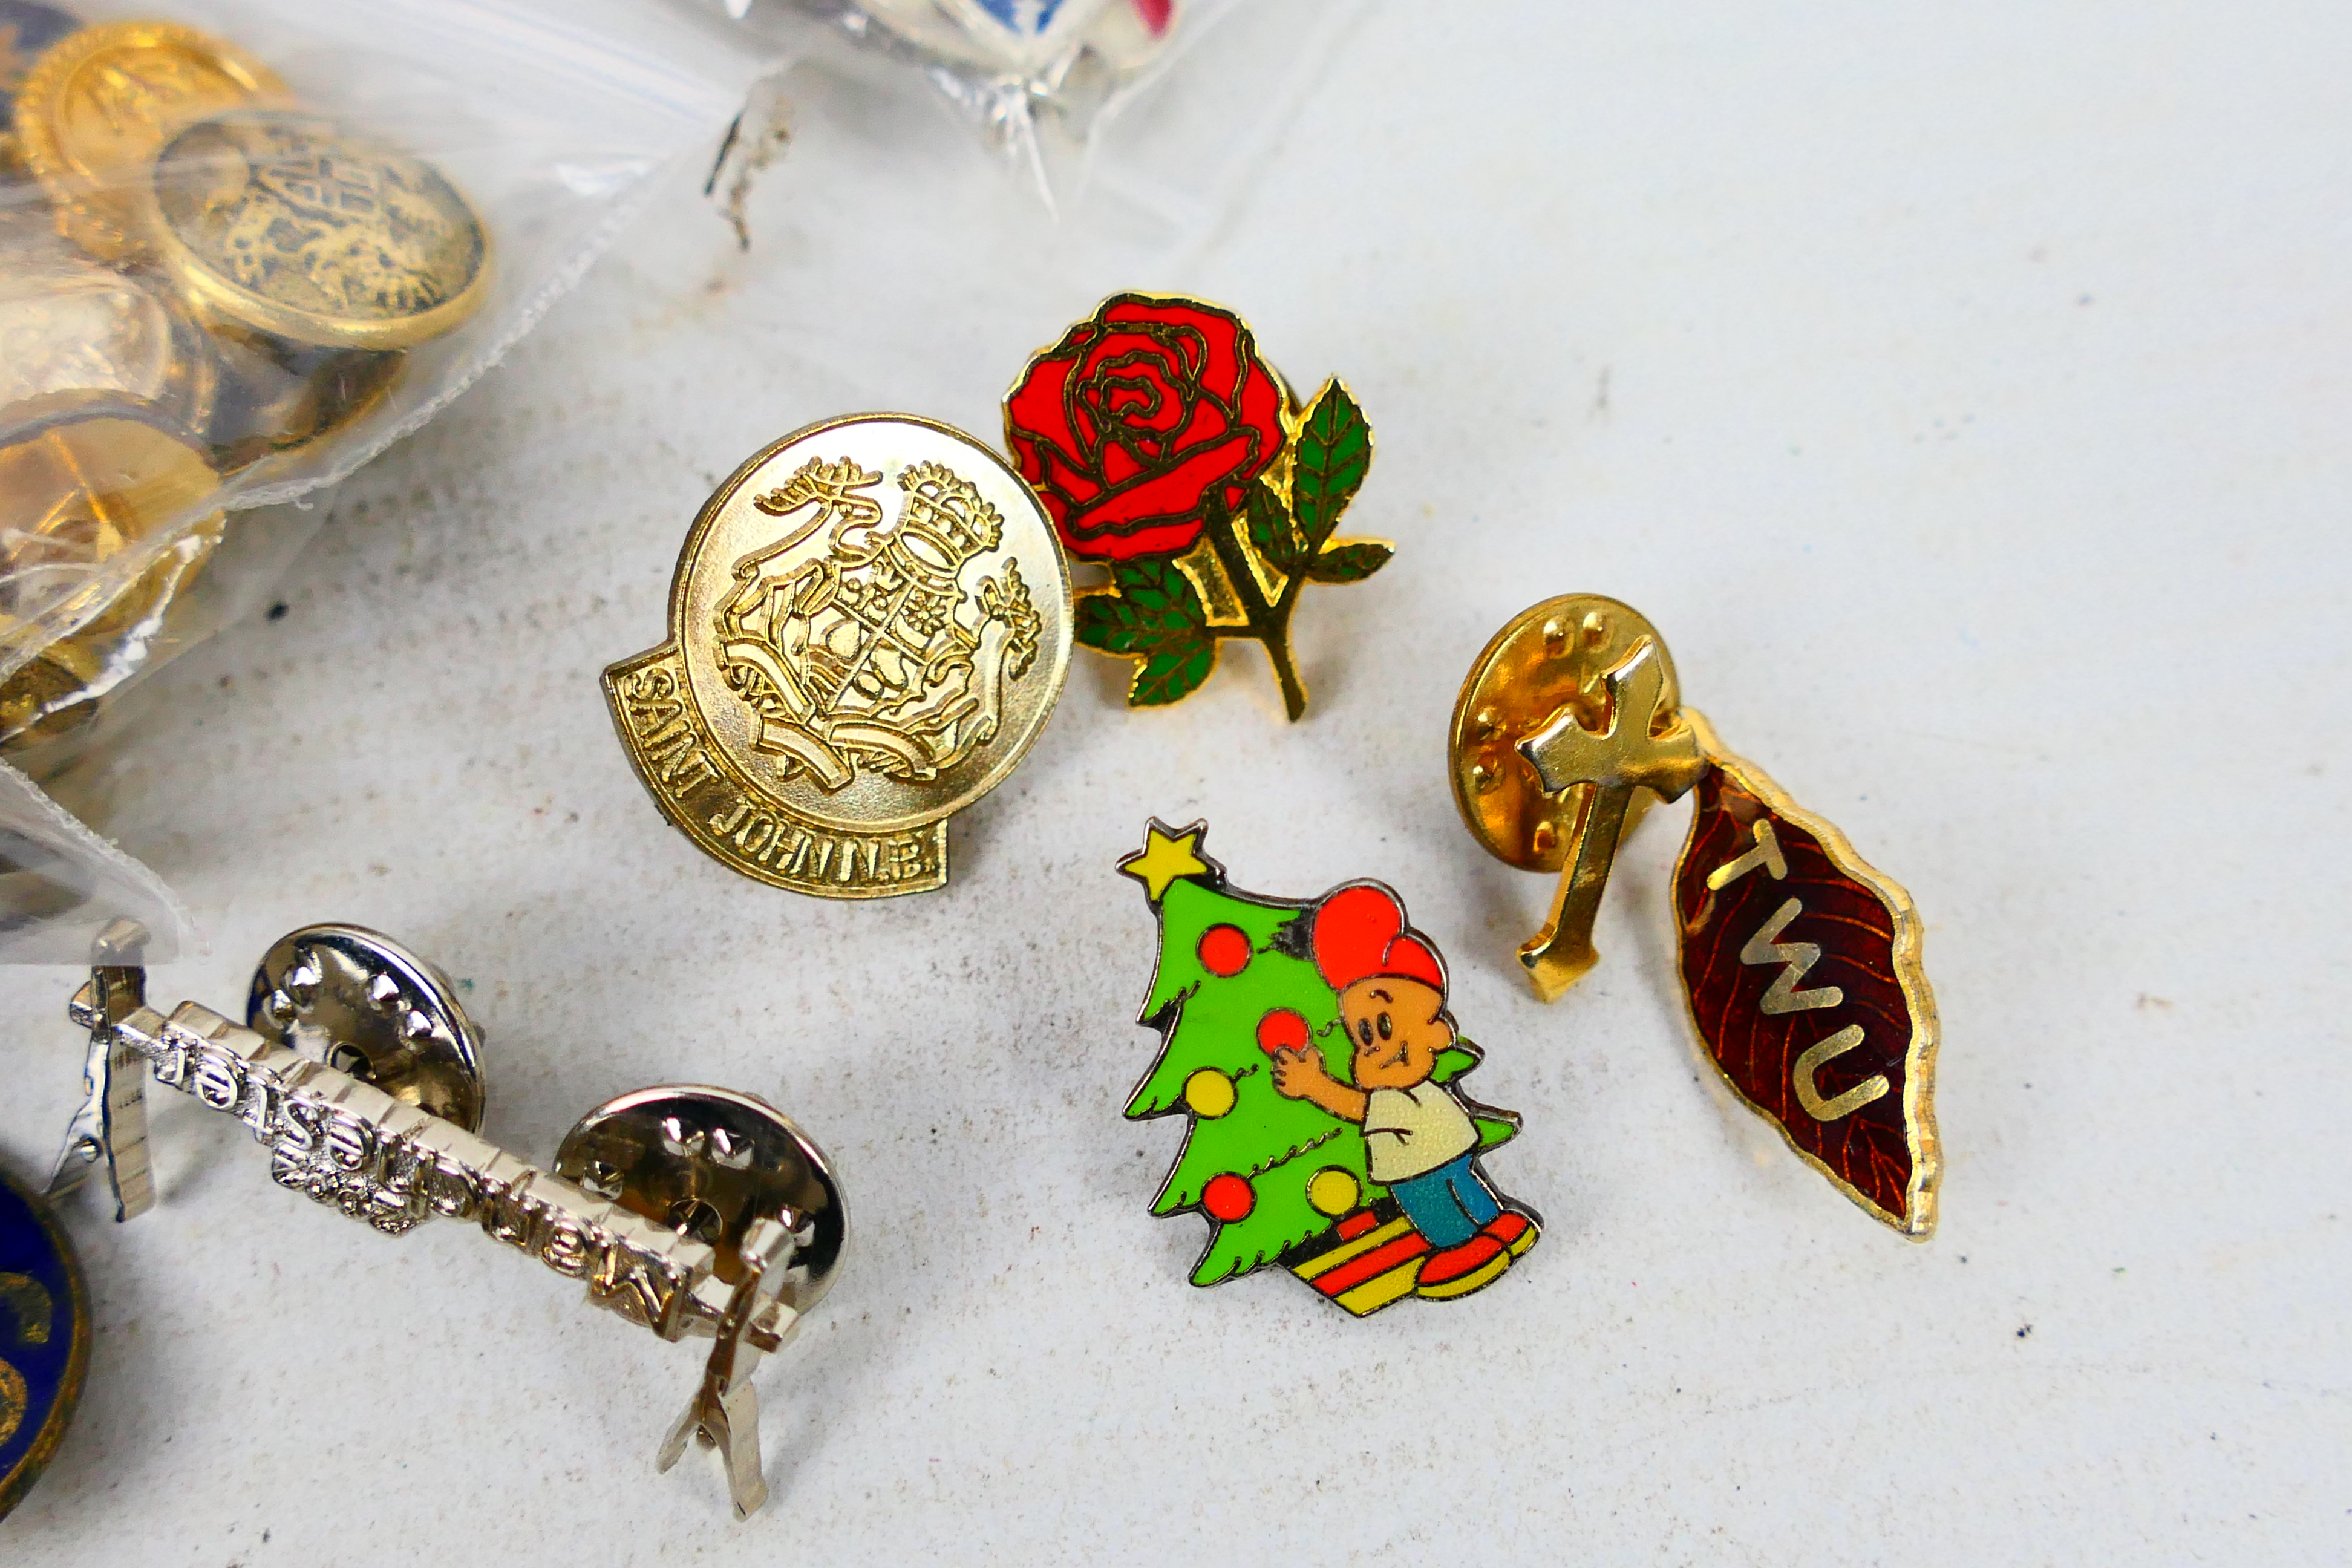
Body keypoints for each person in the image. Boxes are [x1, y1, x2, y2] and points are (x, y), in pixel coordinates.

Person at [1269, 883, 1537, 1299]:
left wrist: (1314, 1086)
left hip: (1418, 1166)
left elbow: (1355, 1106)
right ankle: (1489, 1227)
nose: (1374, 1046)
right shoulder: (1412, 1090)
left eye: (1385, 1027)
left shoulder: (1396, 1096)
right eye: (1364, 1036)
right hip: (1448, 1150)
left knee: (1437, 1207)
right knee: (1462, 1191)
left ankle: (1464, 1246)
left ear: (1437, 1032)